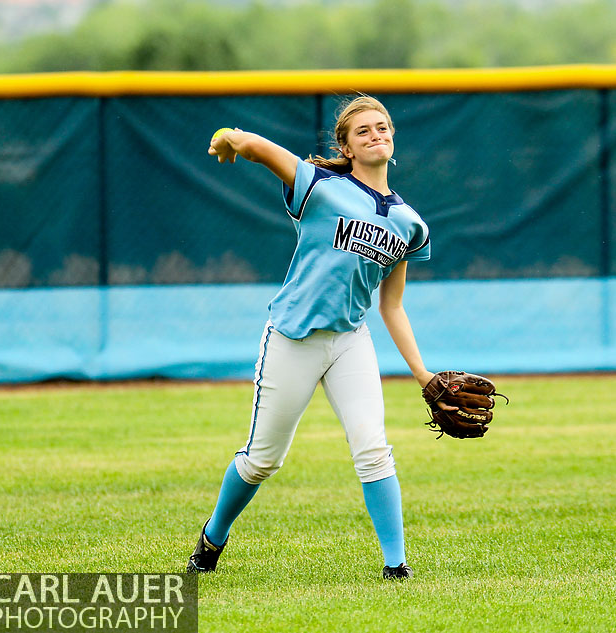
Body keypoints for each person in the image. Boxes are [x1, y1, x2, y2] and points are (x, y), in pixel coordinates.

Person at [187, 95, 447, 580]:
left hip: (349, 340)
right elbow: (267, 152)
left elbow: (391, 305)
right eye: (364, 130)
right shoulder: (322, 187)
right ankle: (212, 537)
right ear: (345, 146)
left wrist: (422, 374)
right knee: (263, 459)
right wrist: (231, 139)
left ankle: (396, 566)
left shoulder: (410, 223)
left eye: (383, 127)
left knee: (373, 448)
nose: (376, 135)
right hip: (292, 337)